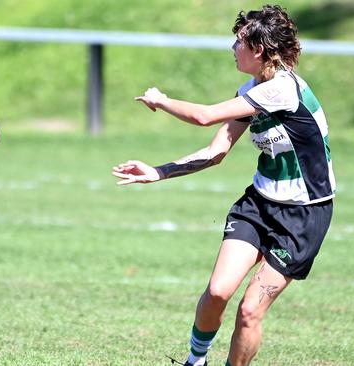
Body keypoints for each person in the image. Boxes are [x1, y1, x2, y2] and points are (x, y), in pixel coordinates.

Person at [112, 4, 335, 366]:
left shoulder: (281, 91)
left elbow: (203, 116)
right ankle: (195, 360)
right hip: (260, 204)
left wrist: (160, 100)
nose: (233, 48)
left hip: (304, 217)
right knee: (217, 291)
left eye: (238, 42)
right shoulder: (252, 88)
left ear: (258, 50)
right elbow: (217, 151)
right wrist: (158, 171)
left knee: (249, 310)